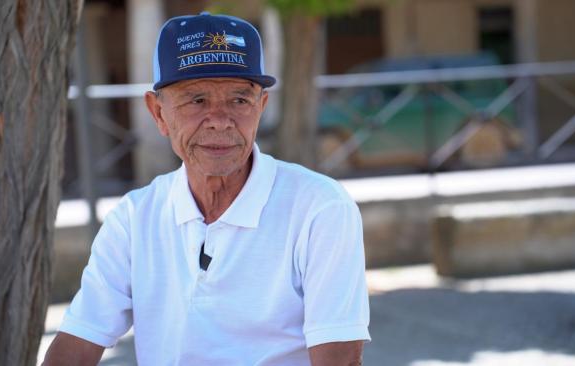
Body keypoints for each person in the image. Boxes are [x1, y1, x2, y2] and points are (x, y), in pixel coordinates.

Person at [44, 12, 370, 366]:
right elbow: (75, 347)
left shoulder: (320, 208)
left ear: (261, 107)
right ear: (158, 113)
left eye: (239, 100)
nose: (219, 119)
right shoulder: (135, 218)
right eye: (196, 100)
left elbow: (340, 360)